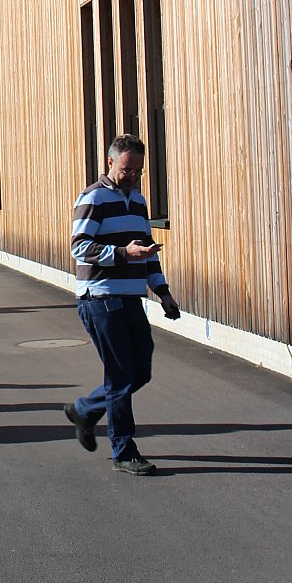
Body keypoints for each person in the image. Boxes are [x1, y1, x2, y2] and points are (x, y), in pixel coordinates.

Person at [64, 134, 181, 476]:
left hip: (131, 297)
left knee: (139, 371)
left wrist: (163, 292)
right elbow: (79, 247)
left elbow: (147, 251)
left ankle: (85, 409)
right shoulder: (93, 197)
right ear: (110, 163)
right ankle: (124, 451)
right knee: (120, 376)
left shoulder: (139, 201)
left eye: (138, 171)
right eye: (127, 169)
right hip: (100, 297)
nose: (132, 176)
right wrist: (122, 253)